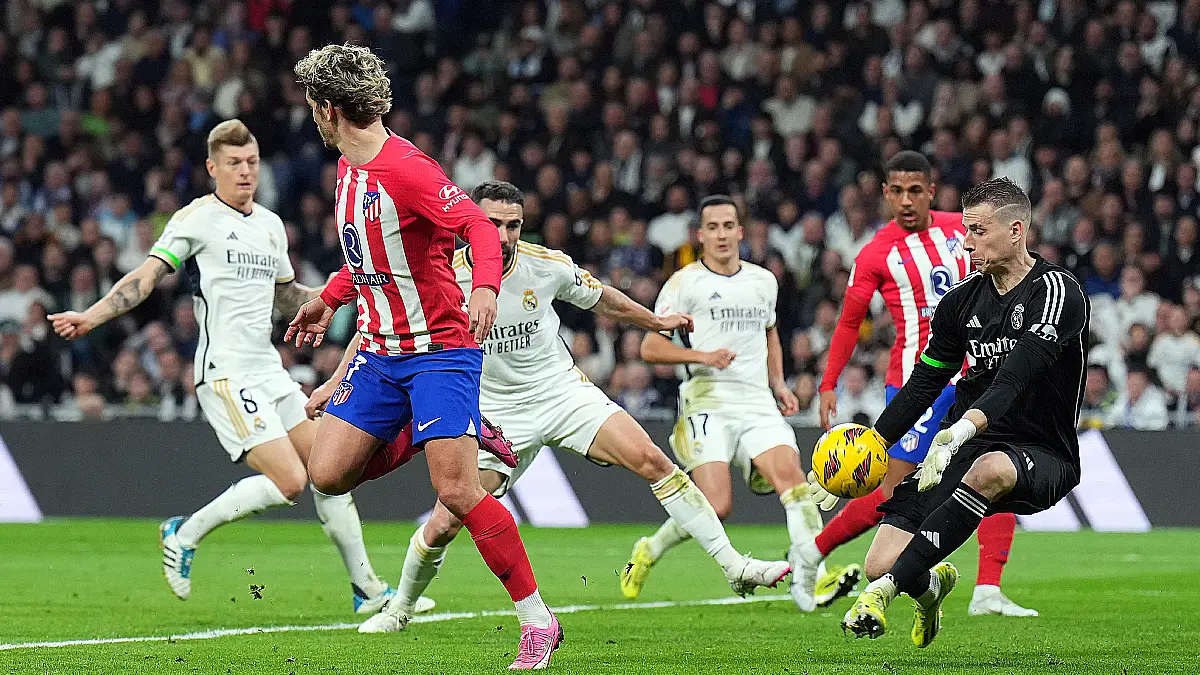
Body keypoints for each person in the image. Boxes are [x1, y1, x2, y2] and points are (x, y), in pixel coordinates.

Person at [308, 181, 791, 633]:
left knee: (653, 461)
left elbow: (604, 300)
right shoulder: (441, 277)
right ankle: (400, 609)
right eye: (492, 224)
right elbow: (381, 328)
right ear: (469, 224)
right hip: (494, 412)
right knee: (445, 520)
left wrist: (655, 322)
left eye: (512, 225)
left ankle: (735, 567)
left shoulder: (545, 264)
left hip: (560, 392)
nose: (503, 236)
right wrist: (335, 382)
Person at [47, 120, 394, 613]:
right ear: (213, 168)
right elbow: (146, 277)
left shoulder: (271, 225)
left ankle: (367, 589)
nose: (245, 171)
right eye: (234, 163)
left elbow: (286, 297)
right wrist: (93, 315)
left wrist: (342, 296)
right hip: (225, 373)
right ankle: (183, 533)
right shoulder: (196, 219)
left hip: (270, 370)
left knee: (329, 472)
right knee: (292, 482)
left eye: (251, 161)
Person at [287, 45, 559, 670]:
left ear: (330, 110)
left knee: (458, 489)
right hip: (382, 354)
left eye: (314, 108)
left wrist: (487, 287)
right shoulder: (350, 173)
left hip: (440, 350)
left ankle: (537, 620)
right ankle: (455, 428)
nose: (313, 119)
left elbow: (480, 229)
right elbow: (365, 257)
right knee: (326, 473)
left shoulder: (406, 170)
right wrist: (329, 300)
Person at [841, 177, 1088, 647]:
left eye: (977, 230)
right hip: (966, 443)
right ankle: (928, 589)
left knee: (987, 468)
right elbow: (923, 385)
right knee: (881, 560)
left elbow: (1013, 381)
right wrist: (868, 445)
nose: (965, 240)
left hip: (1040, 451)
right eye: (966, 229)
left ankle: (882, 595)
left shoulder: (1056, 292)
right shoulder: (959, 303)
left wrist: (956, 433)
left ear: (1016, 230)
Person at [798, 151, 1036, 618]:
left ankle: (988, 589)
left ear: (931, 189)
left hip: (977, 373)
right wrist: (829, 383)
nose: (906, 201)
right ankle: (813, 551)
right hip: (916, 384)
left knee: (997, 464)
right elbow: (849, 322)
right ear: (884, 194)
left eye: (915, 190)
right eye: (896, 191)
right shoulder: (873, 253)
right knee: (894, 491)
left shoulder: (964, 229)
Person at [621, 195, 828, 612]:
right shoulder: (684, 283)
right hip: (706, 402)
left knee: (793, 481)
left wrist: (778, 383)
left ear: (740, 231)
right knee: (718, 505)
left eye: (728, 225)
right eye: (712, 227)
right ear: (700, 235)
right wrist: (702, 356)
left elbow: (770, 333)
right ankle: (651, 548)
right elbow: (649, 347)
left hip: (756, 403)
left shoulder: (763, 280)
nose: (720, 234)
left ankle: (815, 578)